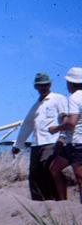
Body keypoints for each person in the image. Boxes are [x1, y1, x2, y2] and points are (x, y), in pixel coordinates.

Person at [12, 72, 67, 201]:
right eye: (40, 85)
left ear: (50, 84)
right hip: (36, 145)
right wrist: (18, 145)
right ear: (36, 87)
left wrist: (62, 137)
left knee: (48, 171)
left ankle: (56, 203)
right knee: (35, 176)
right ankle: (39, 206)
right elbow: (27, 126)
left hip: (52, 143)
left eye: (45, 85)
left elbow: (66, 118)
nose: (43, 87)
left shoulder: (58, 99)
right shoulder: (35, 106)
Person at [48, 67, 82, 203]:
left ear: (71, 83)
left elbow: (72, 123)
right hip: (72, 144)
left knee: (79, 178)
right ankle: (64, 204)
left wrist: (56, 128)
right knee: (55, 168)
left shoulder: (74, 98)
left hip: (76, 144)